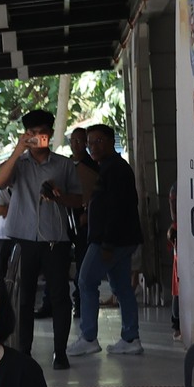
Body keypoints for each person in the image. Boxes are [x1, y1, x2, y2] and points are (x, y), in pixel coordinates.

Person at [0, 110, 81, 369]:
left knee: (60, 296)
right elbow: (0, 182)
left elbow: (78, 200)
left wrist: (58, 196)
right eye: (31, 133)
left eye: (42, 132)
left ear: (50, 134)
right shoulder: (18, 164)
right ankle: (24, 351)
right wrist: (17, 150)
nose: (37, 137)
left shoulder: (64, 165)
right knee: (23, 297)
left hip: (55, 238)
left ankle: (60, 352)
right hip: (22, 237)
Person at [69, 122, 144, 358]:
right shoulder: (109, 167)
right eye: (90, 143)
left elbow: (116, 210)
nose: (93, 147)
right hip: (121, 239)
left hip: (110, 240)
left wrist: (108, 243)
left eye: (99, 141)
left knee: (85, 281)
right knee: (122, 287)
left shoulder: (114, 169)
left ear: (112, 142)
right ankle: (130, 338)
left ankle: (89, 337)